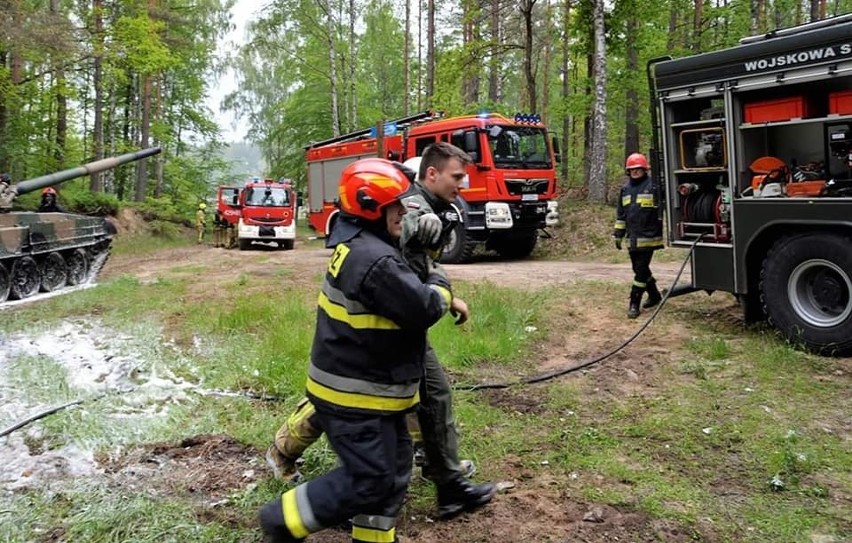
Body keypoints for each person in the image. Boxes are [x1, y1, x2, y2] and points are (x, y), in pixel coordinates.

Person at [266, 143, 496, 520]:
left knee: (418, 399)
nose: (463, 184)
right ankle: (287, 463)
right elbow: (394, 259)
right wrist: (435, 288)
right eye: (457, 176)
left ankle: (444, 481)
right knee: (347, 401)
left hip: (401, 312)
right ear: (432, 173)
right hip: (388, 317)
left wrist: (441, 292)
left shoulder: (429, 206)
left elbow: (418, 265)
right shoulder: (407, 205)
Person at [613, 152, 664, 319]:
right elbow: (621, 214)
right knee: (638, 268)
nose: (635, 172)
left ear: (644, 169)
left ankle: (634, 303)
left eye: (638, 169)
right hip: (632, 237)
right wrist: (618, 234)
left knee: (640, 270)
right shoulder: (625, 190)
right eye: (632, 170)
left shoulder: (654, 186)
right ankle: (655, 295)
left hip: (649, 236)